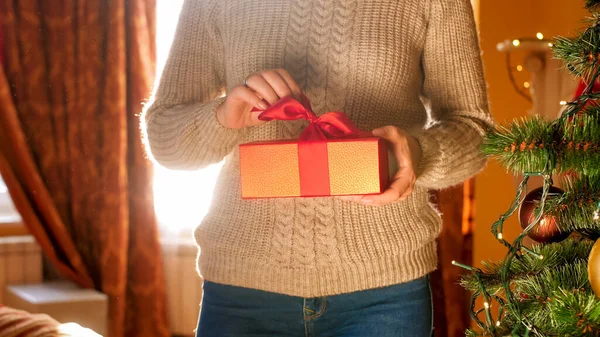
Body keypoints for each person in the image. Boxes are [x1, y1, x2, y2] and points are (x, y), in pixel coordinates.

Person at [143, 0, 493, 336]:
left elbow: (475, 131)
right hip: (241, 290)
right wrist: (222, 117)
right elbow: (165, 139)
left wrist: (418, 154)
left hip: (385, 291)